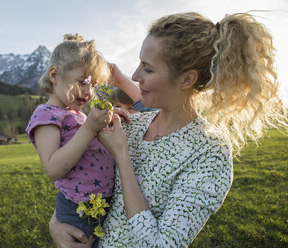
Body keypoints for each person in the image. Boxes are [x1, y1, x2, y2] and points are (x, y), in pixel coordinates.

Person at [49, 12, 287, 247]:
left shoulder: (209, 152)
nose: (135, 75)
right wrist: (57, 224)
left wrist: (122, 157)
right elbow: (85, 181)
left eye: (148, 69)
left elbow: (162, 244)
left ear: (186, 80)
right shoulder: (132, 125)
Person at [25, 34, 115, 247]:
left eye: (94, 85)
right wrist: (89, 128)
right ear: (55, 75)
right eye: (83, 82)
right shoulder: (46, 115)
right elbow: (53, 168)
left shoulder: (75, 113)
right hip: (77, 210)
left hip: (100, 204)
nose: (88, 92)